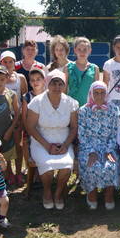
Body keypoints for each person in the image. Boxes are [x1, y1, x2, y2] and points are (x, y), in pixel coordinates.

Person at [26, 70, 78, 209]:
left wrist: (66, 145)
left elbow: (73, 128)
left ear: (64, 85)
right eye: (53, 83)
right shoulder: (37, 102)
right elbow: (30, 127)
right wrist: (47, 145)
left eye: (60, 83)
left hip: (64, 140)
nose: (57, 87)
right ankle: (47, 192)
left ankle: (59, 193)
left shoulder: (71, 103)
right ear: (47, 84)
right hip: (41, 140)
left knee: (66, 165)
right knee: (47, 166)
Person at [77, 81, 120, 210]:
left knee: (111, 164)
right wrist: (91, 152)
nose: (99, 96)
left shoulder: (113, 109)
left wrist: (109, 151)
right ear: (91, 94)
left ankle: (109, 194)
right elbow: (82, 135)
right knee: (92, 165)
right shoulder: (83, 110)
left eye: (102, 93)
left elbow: (115, 133)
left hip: (109, 146)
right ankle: (91, 193)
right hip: (88, 148)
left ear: (106, 94)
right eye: (96, 93)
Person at [0, 50, 27, 186]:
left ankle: (19, 172)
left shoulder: (20, 77)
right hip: (3, 117)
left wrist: (22, 115)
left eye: (11, 61)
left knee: (18, 145)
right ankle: (9, 172)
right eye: (5, 61)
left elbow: (25, 96)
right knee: (6, 145)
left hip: (18, 116)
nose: (8, 64)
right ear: (1, 63)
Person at [67, 37, 99, 106]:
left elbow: (96, 91)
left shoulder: (95, 68)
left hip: (88, 107)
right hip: (71, 106)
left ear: (90, 51)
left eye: (85, 49)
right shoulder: (68, 67)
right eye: (79, 49)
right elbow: (64, 89)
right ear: (75, 50)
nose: (82, 52)